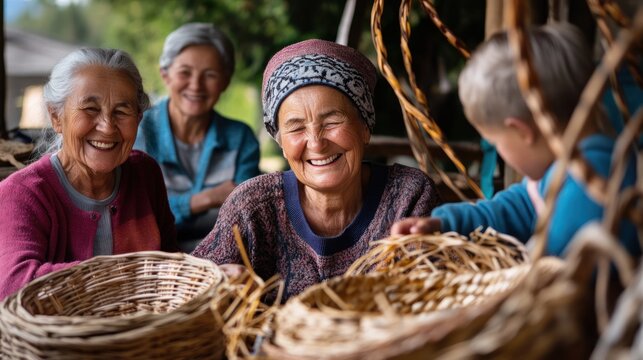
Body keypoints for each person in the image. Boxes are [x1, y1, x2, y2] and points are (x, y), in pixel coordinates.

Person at [193, 39, 441, 300]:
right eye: (296, 128)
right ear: (280, 142)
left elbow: (442, 296)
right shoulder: (253, 207)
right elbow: (187, 291)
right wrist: (215, 284)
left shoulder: (409, 197)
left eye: (332, 121)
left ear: (365, 127)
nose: (316, 143)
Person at [391, 23, 640, 258]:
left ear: (522, 131)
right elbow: (520, 207)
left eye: (496, 142)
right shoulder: (561, 170)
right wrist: (446, 223)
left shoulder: (591, 187)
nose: (499, 151)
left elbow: (557, 280)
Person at [0, 48, 178, 300]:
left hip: (143, 335)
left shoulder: (145, 174)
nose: (107, 127)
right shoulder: (21, 193)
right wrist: (125, 273)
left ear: (138, 119)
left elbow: (172, 263)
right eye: (90, 109)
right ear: (56, 117)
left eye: (121, 111)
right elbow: (14, 286)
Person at [134, 23, 261, 252]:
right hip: (155, 266)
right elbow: (137, 218)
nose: (196, 85)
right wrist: (204, 199)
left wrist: (169, 209)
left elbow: (245, 218)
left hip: (228, 264)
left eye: (210, 75)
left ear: (225, 81)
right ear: (166, 75)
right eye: (185, 72)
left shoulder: (241, 138)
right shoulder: (140, 132)